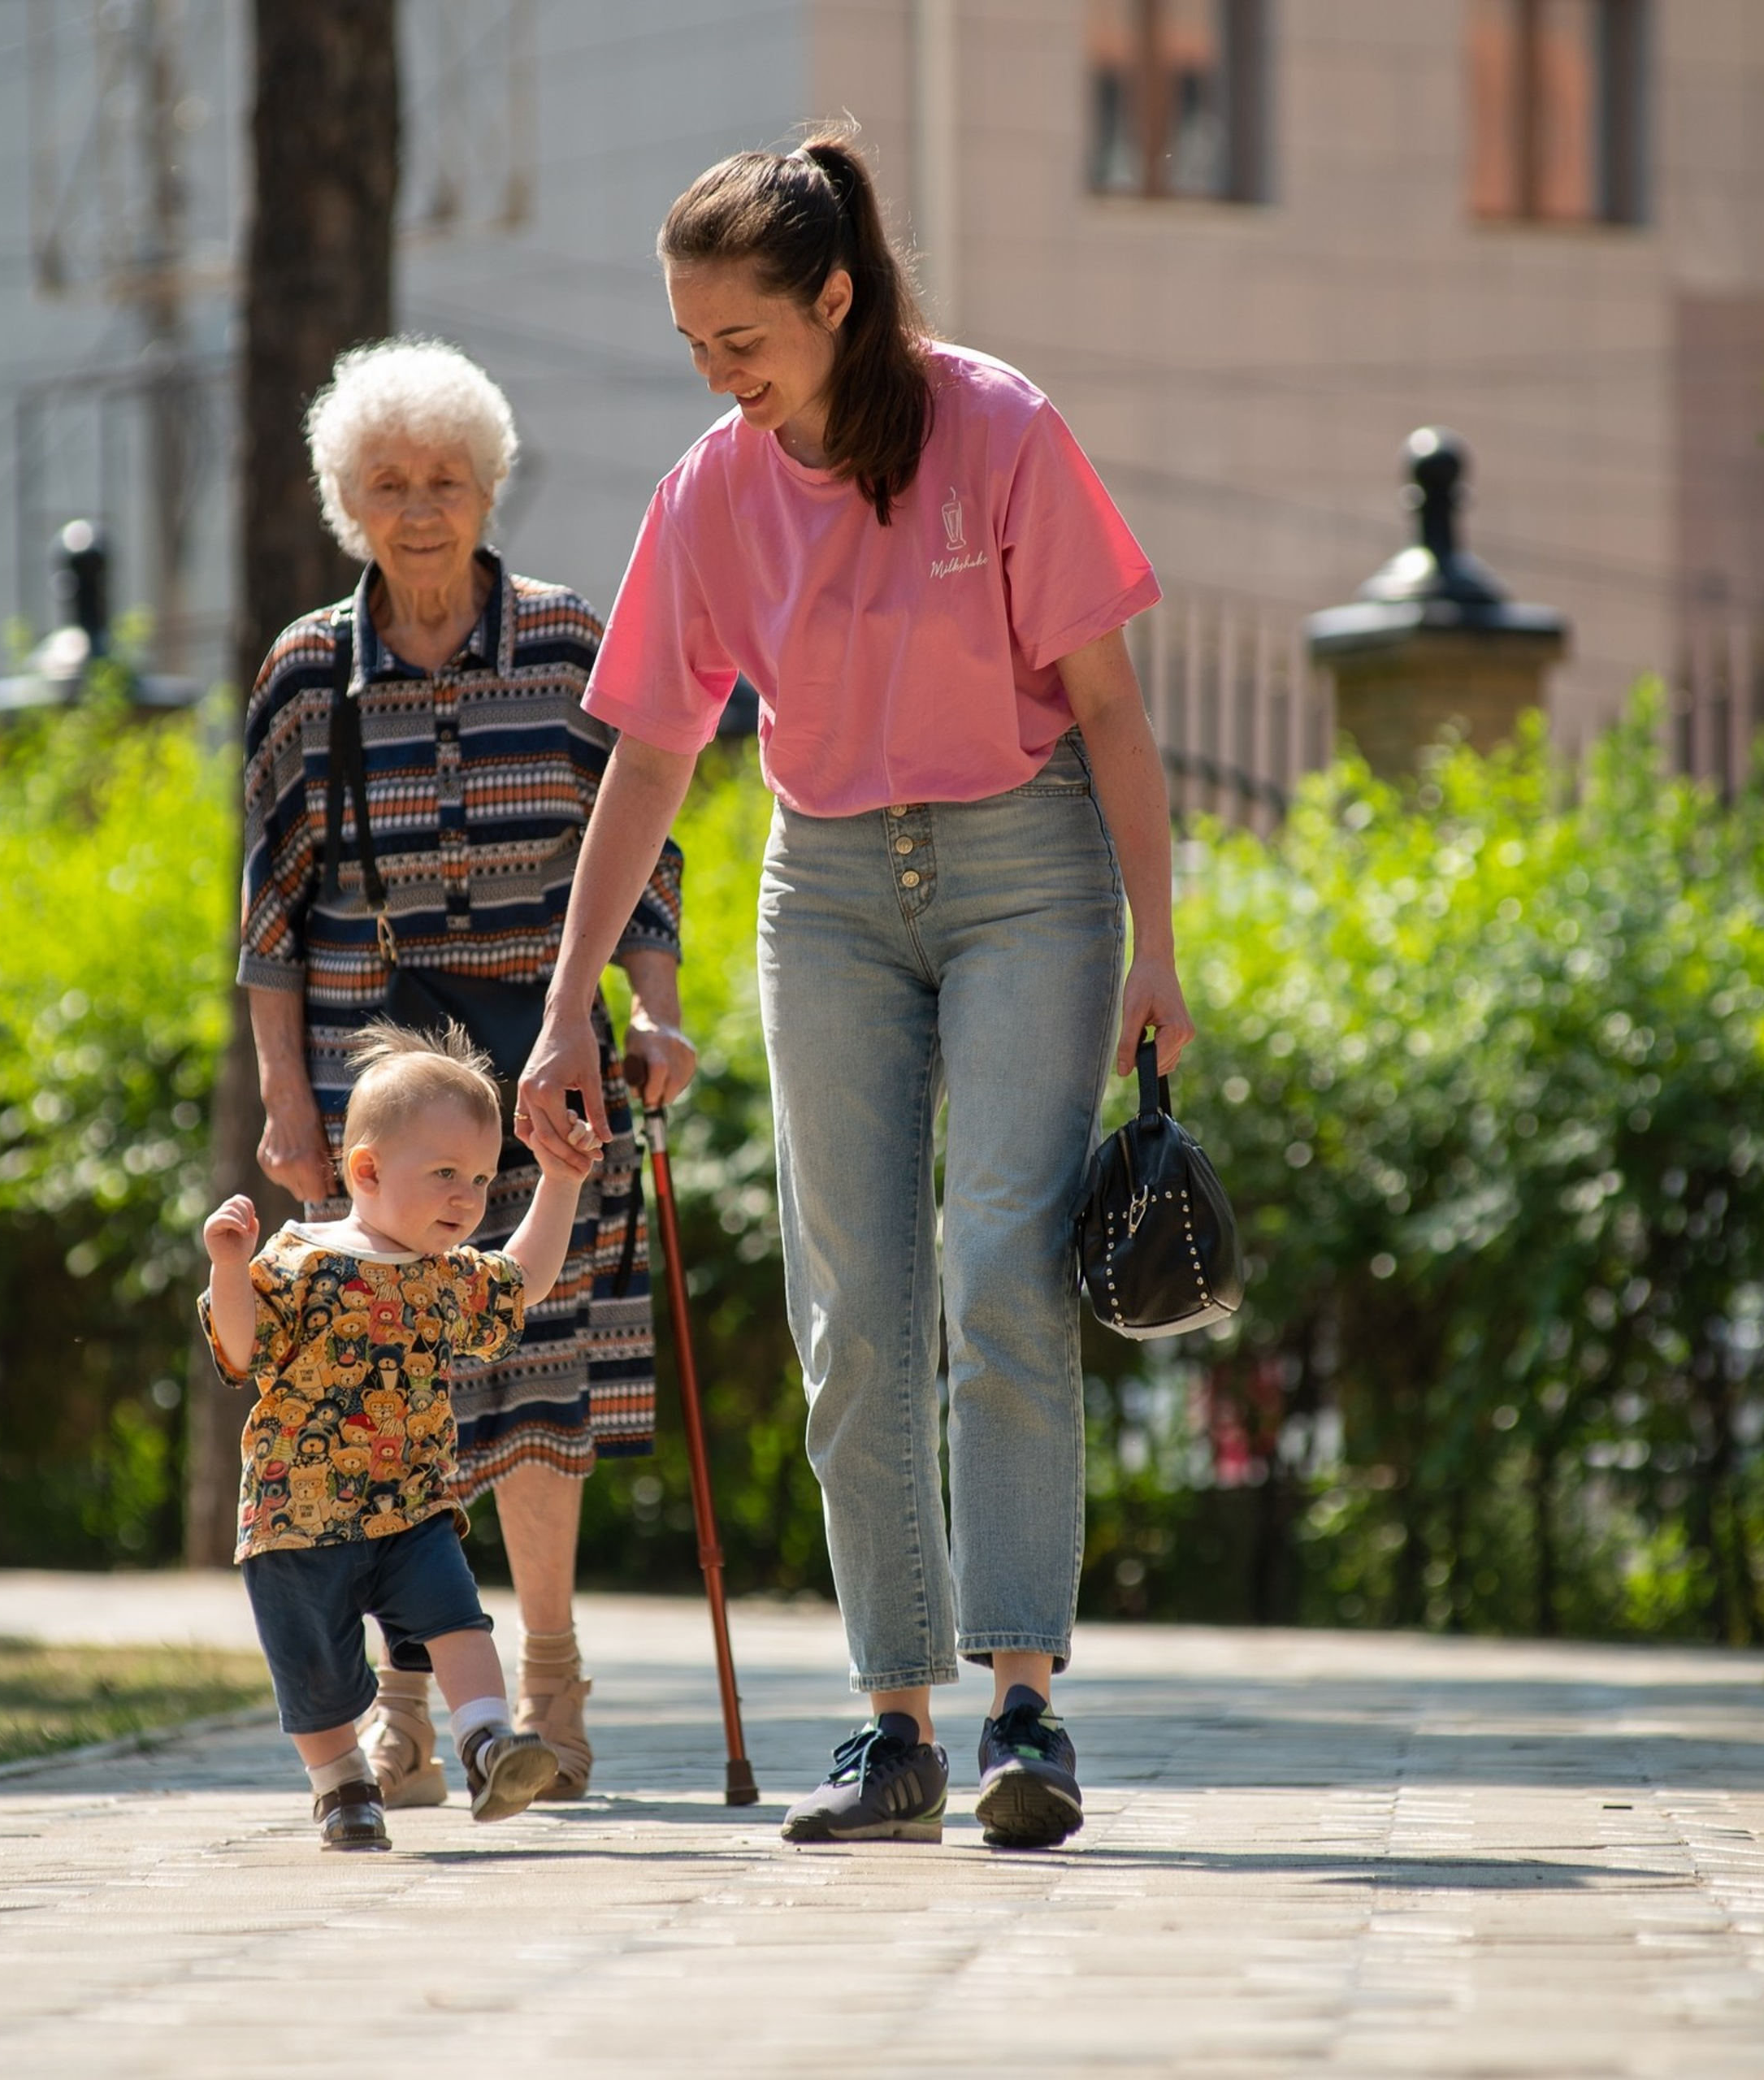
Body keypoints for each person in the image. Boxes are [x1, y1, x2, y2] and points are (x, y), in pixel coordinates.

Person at [518, 132, 1194, 1851]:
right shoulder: (711, 486)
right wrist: (561, 1002)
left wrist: (1160, 949)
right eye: (690, 346)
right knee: (849, 1306)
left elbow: (1110, 711)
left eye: (741, 340)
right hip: (821, 884)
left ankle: (1021, 1703)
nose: (717, 378)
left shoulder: (997, 430)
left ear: (835, 297)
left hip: (1026, 870)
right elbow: (654, 757)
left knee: (995, 1266)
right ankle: (888, 1720)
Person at [237, 339, 698, 1806]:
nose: (421, 508)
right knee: (375, 1379)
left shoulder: (570, 644)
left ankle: (548, 1688)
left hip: (549, 1059)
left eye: (446, 480)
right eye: (389, 484)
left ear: (490, 487)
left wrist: (659, 1011)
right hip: (371, 1086)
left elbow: (652, 859)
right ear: (347, 503)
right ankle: (408, 1712)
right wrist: (287, 1102)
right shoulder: (310, 669)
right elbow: (267, 911)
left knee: (537, 1366)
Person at [201, 1020, 605, 1849]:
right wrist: (227, 1268)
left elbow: (521, 1279)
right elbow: (238, 1350)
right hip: (296, 1517)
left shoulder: (443, 1275)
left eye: (483, 1180)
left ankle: (490, 1743)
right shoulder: (300, 1260)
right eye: (446, 1174)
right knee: (313, 1672)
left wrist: (557, 1182)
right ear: (367, 1171)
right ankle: (342, 1784)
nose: (468, 1198)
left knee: (457, 1619)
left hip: (412, 1507)